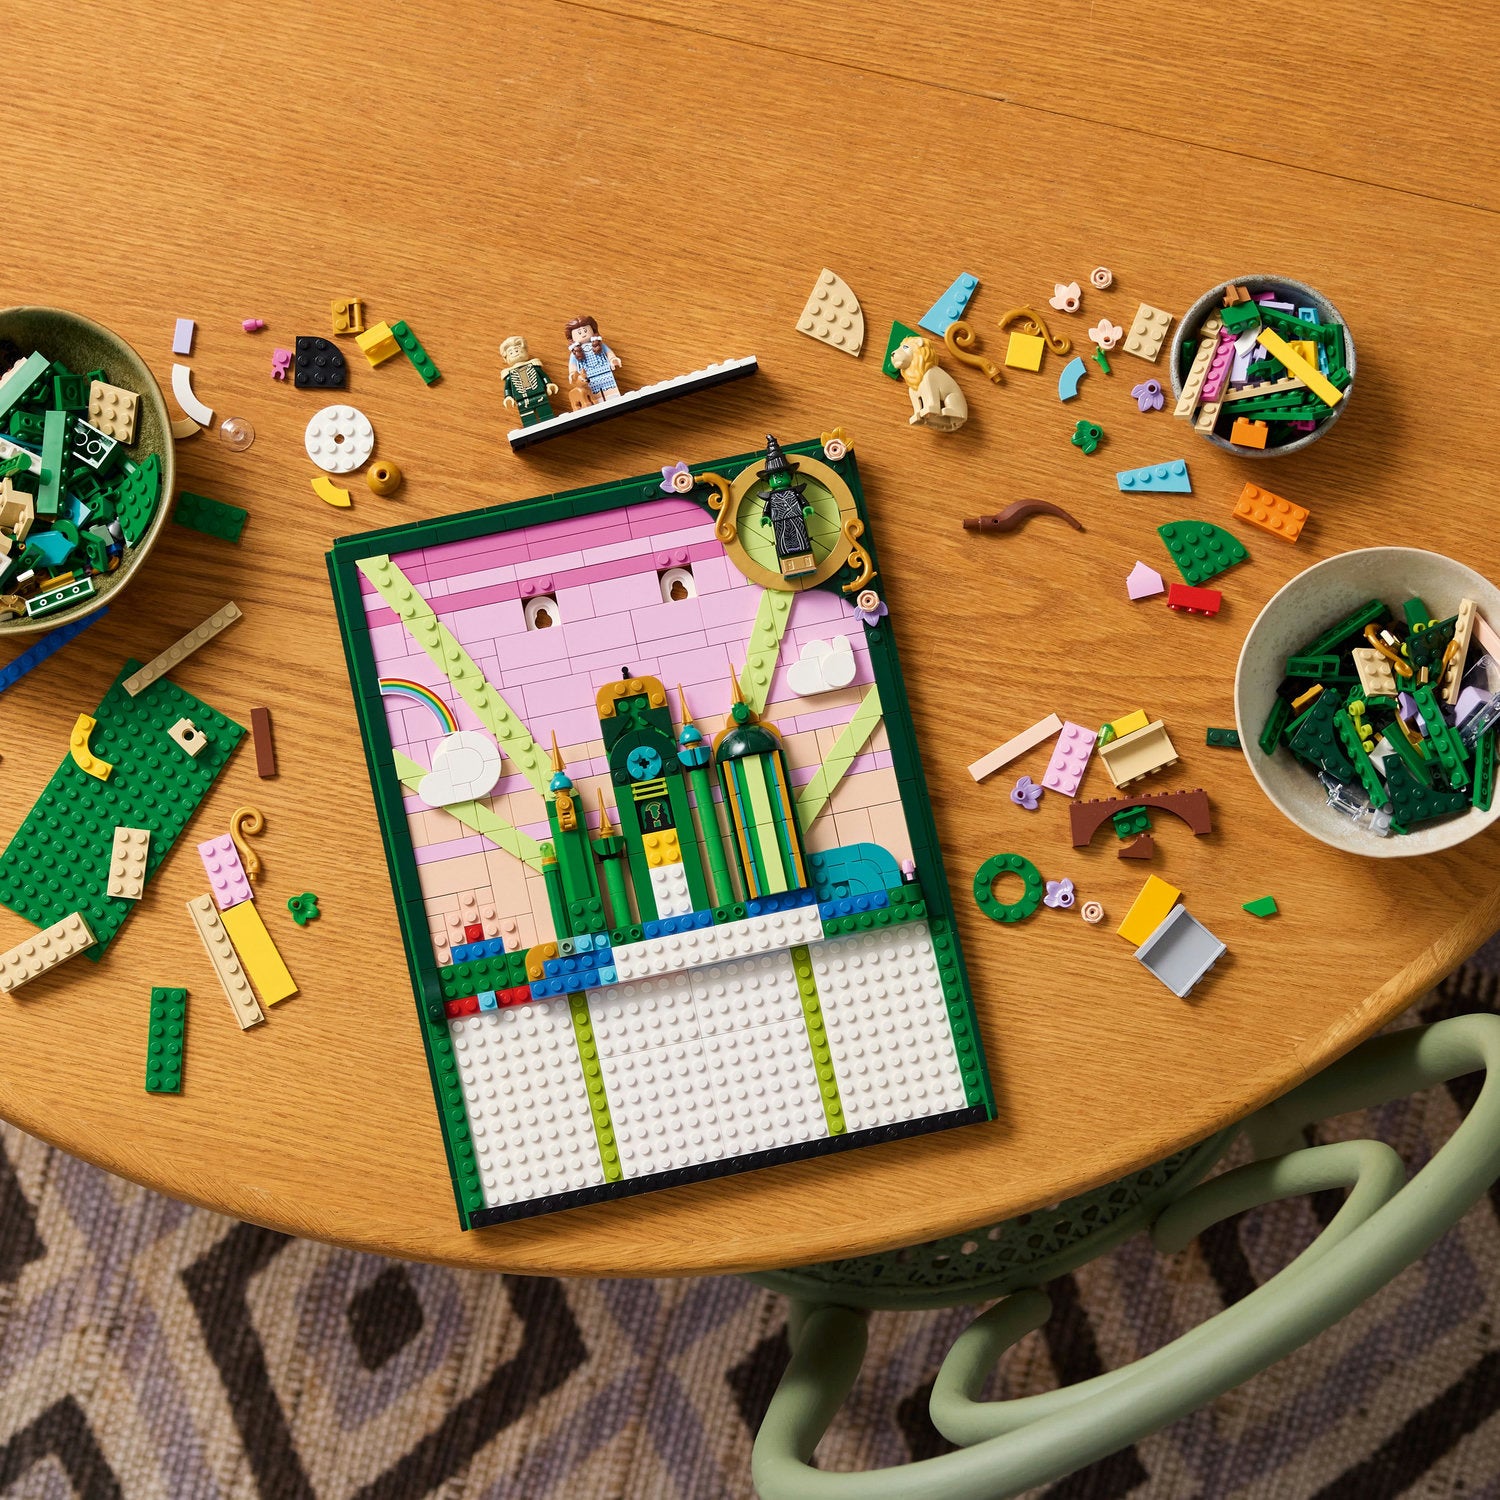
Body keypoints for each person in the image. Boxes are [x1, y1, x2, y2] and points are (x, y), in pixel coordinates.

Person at [564, 316, 622, 407]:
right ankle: (600, 406)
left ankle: (615, 401)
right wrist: (572, 373)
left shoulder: (599, 345)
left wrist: (612, 359)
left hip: (605, 372)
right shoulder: (575, 353)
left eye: (585, 331)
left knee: (610, 390)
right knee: (595, 394)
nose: (583, 334)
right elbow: (572, 366)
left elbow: (609, 353)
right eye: (579, 333)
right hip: (589, 378)